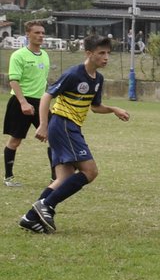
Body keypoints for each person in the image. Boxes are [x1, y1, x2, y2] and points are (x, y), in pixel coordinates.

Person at [19, 34, 129, 234]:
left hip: (71, 127)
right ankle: (47, 205)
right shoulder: (74, 74)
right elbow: (46, 96)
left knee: (63, 179)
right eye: (101, 53)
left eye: (108, 54)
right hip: (62, 125)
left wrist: (113, 109)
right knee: (90, 171)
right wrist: (43, 124)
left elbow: (95, 107)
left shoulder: (98, 79)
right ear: (89, 54)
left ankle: (30, 217)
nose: (106, 58)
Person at [5, 20, 51, 187]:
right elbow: (13, 80)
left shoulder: (45, 55)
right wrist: (23, 103)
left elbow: (43, 80)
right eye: (37, 33)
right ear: (28, 34)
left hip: (41, 103)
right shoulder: (18, 55)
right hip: (21, 102)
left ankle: (56, 178)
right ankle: (8, 178)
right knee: (15, 141)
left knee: (53, 137)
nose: (40, 36)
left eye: (42, 33)